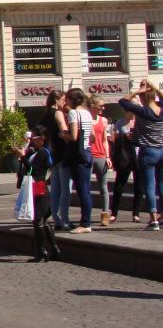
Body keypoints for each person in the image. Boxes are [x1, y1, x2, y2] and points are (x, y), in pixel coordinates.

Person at [119, 78, 163, 231]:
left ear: (144, 97)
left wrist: (137, 91)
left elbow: (123, 101)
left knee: (150, 185)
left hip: (148, 151)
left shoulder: (143, 111)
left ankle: (153, 219)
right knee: (162, 184)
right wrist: (154, 87)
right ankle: (162, 216)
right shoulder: (161, 108)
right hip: (162, 150)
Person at [18, 126, 60, 263]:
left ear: (42, 139)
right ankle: (53, 249)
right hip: (35, 185)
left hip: (39, 186)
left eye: (34, 138)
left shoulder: (43, 153)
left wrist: (22, 157)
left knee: (38, 220)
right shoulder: (36, 152)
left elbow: (33, 170)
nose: (32, 140)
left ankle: (42, 250)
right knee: (42, 220)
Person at [63, 88, 95, 234]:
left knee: (82, 190)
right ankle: (86, 220)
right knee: (86, 189)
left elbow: (74, 136)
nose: (66, 101)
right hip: (88, 152)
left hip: (78, 155)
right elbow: (93, 136)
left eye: (67, 98)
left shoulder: (73, 113)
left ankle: (85, 223)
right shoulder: (87, 113)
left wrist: (63, 134)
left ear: (72, 100)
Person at [44, 89, 72, 231]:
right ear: (57, 100)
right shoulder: (58, 113)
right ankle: (64, 219)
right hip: (61, 152)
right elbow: (63, 130)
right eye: (62, 99)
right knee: (65, 188)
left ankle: (56, 218)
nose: (64, 101)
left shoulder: (47, 113)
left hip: (52, 153)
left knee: (55, 188)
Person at [110, 116, 143, 223]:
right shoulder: (120, 122)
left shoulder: (141, 121)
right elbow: (114, 139)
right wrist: (125, 136)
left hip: (138, 155)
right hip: (125, 156)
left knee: (139, 186)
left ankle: (136, 213)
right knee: (119, 185)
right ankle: (114, 213)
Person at [88, 96, 112, 226]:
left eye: (103, 105)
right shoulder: (86, 118)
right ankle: (86, 214)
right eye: (100, 105)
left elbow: (104, 140)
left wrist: (107, 156)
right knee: (86, 187)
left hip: (100, 155)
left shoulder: (103, 120)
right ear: (92, 106)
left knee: (103, 187)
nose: (103, 108)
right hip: (88, 155)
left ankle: (105, 214)